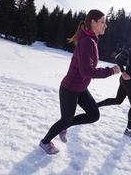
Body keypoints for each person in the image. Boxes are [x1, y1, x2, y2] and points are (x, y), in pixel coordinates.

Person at [39, 9, 121, 154]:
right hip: (70, 88)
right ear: (93, 22)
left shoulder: (92, 40)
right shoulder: (87, 42)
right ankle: (45, 142)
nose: (105, 25)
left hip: (81, 88)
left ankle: (65, 126)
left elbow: (87, 70)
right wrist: (111, 71)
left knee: (93, 115)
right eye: (103, 22)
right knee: (66, 119)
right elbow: (87, 71)